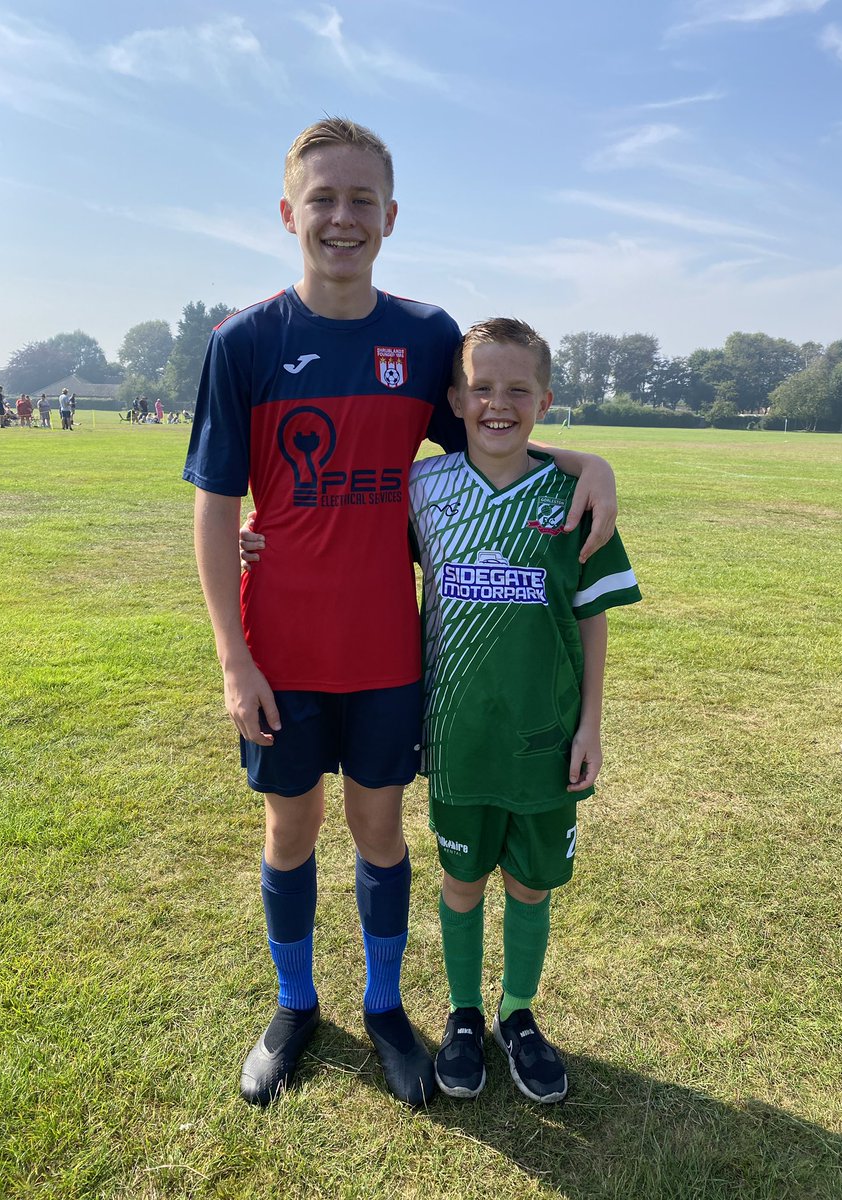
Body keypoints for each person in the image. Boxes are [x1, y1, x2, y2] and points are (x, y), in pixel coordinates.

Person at [184, 117, 618, 1110]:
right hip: (283, 650)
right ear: (290, 211)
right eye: (324, 199)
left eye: (362, 201)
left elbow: (491, 440)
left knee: (380, 832)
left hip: (389, 653)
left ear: (391, 216)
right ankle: (296, 1006)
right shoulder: (243, 342)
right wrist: (233, 660)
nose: (343, 218)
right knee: (290, 831)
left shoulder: (425, 338)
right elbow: (213, 509)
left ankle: (385, 1008)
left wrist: (590, 464)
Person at [404, 318, 641, 1104]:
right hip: (458, 734)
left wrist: (591, 725)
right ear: (454, 398)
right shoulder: (423, 490)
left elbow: (591, 618)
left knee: (530, 886)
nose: (497, 404)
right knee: (462, 878)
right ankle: (465, 1013)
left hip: (544, 739)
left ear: (543, 399)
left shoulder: (572, 495)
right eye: (481, 387)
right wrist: (257, 540)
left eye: (516, 390)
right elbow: (341, 544)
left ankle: (518, 1014)